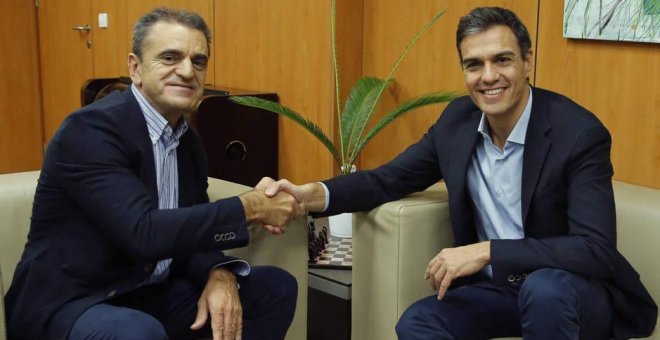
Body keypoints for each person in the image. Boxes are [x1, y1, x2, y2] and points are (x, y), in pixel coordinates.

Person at [263, 6, 657, 340]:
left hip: (573, 293)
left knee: (545, 289)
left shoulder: (578, 133)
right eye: (474, 65)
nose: (488, 76)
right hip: (499, 291)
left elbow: (595, 248)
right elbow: (387, 179)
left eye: (502, 59)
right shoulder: (458, 122)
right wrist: (308, 194)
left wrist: (487, 251)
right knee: (419, 322)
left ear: (527, 62)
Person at [5, 7, 300, 340]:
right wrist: (253, 206)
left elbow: (190, 230)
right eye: (170, 57)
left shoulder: (189, 142)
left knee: (274, 288)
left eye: (198, 61)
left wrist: (219, 272)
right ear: (136, 68)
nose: (187, 71)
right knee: (136, 331)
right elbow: (142, 232)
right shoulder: (91, 131)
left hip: (147, 294)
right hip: (72, 302)